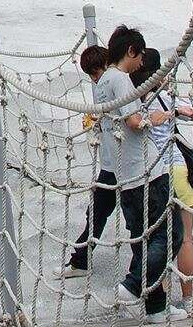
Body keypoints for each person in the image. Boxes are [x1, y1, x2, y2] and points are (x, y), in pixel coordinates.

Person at [110, 28, 181, 322]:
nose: (141, 64)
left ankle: (156, 307)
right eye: (139, 56)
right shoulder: (121, 79)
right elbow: (134, 120)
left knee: (144, 238)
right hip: (146, 173)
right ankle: (132, 284)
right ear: (130, 51)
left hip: (126, 174)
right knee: (171, 234)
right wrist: (157, 117)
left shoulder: (104, 81)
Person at [132, 47, 193, 317]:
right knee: (183, 239)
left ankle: (162, 300)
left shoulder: (134, 99)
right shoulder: (164, 98)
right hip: (175, 167)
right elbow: (191, 111)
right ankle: (188, 298)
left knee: (159, 238)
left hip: (152, 173)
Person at [65, 43, 118, 277]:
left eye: (96, 74)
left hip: (128, 165)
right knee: (96, 211)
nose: (95, 80)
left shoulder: (119, 83)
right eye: (92, 77)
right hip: (110, 163)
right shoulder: (102, 87)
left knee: (139, 219)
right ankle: (80, 260)